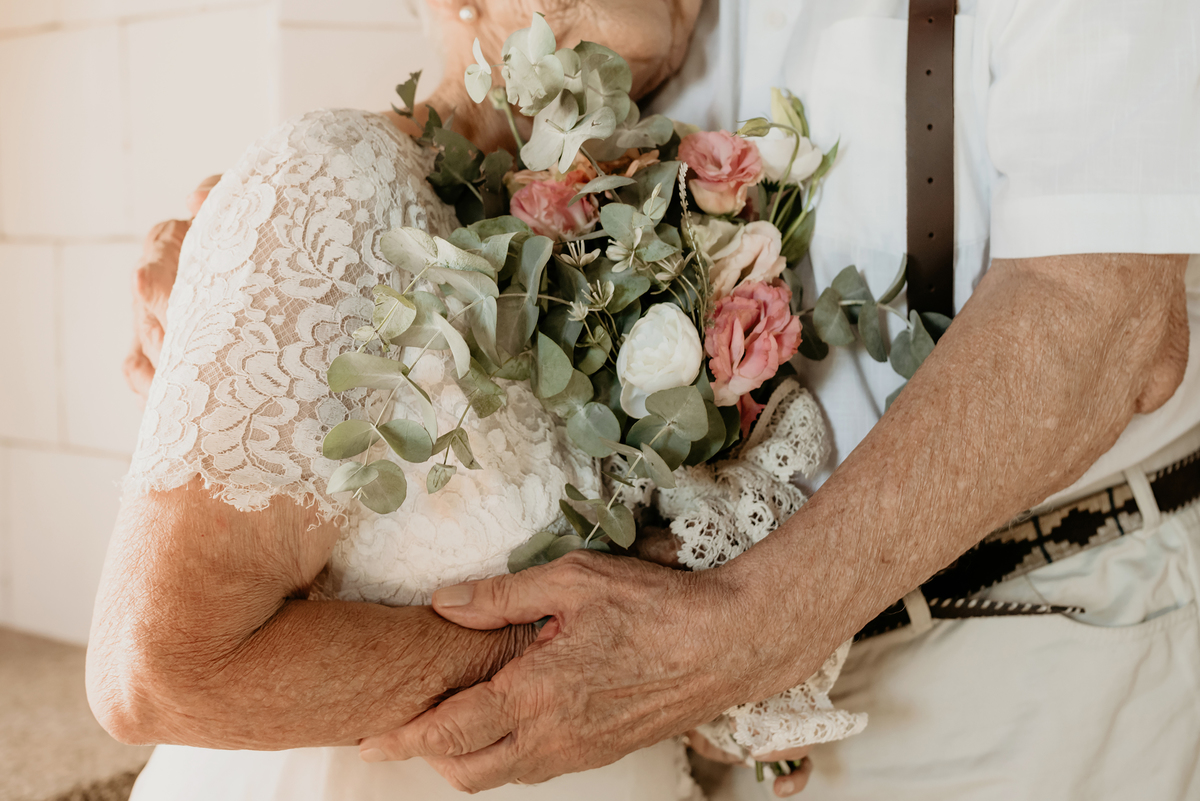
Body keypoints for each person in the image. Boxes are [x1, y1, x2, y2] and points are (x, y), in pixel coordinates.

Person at [355, 1, 1200, 799]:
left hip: (1024, 641)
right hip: (688, 715)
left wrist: (739, 634)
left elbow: (1100, 324)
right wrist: (368, 179)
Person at [92, 1, 834, 799]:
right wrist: (586, 658)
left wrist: (721, 671)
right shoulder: (329, 179)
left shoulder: (639, 219)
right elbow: (159, 670)